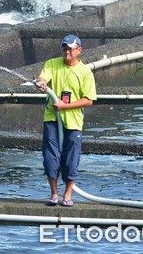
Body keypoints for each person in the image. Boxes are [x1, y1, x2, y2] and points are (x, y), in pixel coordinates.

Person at [35, 34, 96, 207]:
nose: (67, 51)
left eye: (70, 48)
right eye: (64, 48)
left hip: (73, 120)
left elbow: (89, 99)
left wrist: (65, 107)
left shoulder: (85, 72)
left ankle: (67, 194)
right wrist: (41, 83)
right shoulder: (52, 64)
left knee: (71, 158)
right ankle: (54, 193)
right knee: (50, 157)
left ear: (79, 50)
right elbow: (43, 78)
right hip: (52, 118)